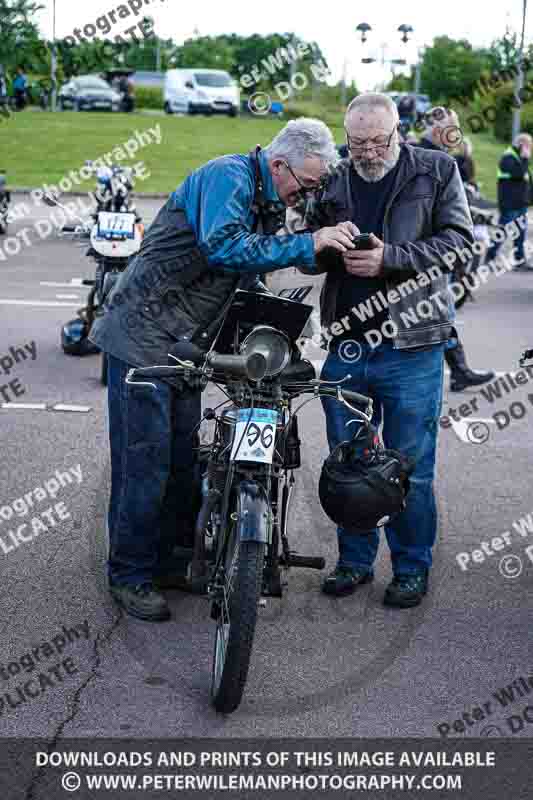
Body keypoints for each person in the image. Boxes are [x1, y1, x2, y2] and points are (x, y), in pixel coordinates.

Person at [89, 118, 357, 622]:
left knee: (183, 460)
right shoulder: (228, 177)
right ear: (279, 166)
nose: (310, 194)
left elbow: (251, 276)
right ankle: (129, 574)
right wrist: (308, 242)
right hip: (143, 335)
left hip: (187, 344)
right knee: (145, 463)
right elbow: (224, 246)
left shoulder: (268, 198)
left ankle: (168, 562)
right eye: (308, 184)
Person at [296, 93, 474, 607]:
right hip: (347, 342)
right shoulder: (334, 177)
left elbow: (461, 245)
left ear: (399, 131)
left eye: (379, 141)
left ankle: (411, 567)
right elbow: (305, 251)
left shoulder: (435, 170)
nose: (369, 152)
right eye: (357, 143)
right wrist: (321, 243)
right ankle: (354, 561)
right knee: (348, 461)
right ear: (345, 137)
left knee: (410, 468)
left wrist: (389, 258)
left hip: (412, 344)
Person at [415, 107, 495, 392]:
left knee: (442, 314)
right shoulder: (425, 158)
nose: (457, 135)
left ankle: (459, 369)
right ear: (438, 131)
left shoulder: (436, 158)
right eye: (454, 128)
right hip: (423, 255)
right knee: (437, 314)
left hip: (431, 252)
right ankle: (453, 371)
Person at [485, 132, 533, 271]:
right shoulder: (508, 157)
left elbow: (525, 179)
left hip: (520, 203)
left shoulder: (517, 157)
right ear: (522, 144)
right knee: (503, 232)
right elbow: (518, 174)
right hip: (510, 204)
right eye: (529, 146)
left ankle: (519, 260)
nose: (530, 149)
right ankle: (489, 258)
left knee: (520, 234)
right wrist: (524, 159)